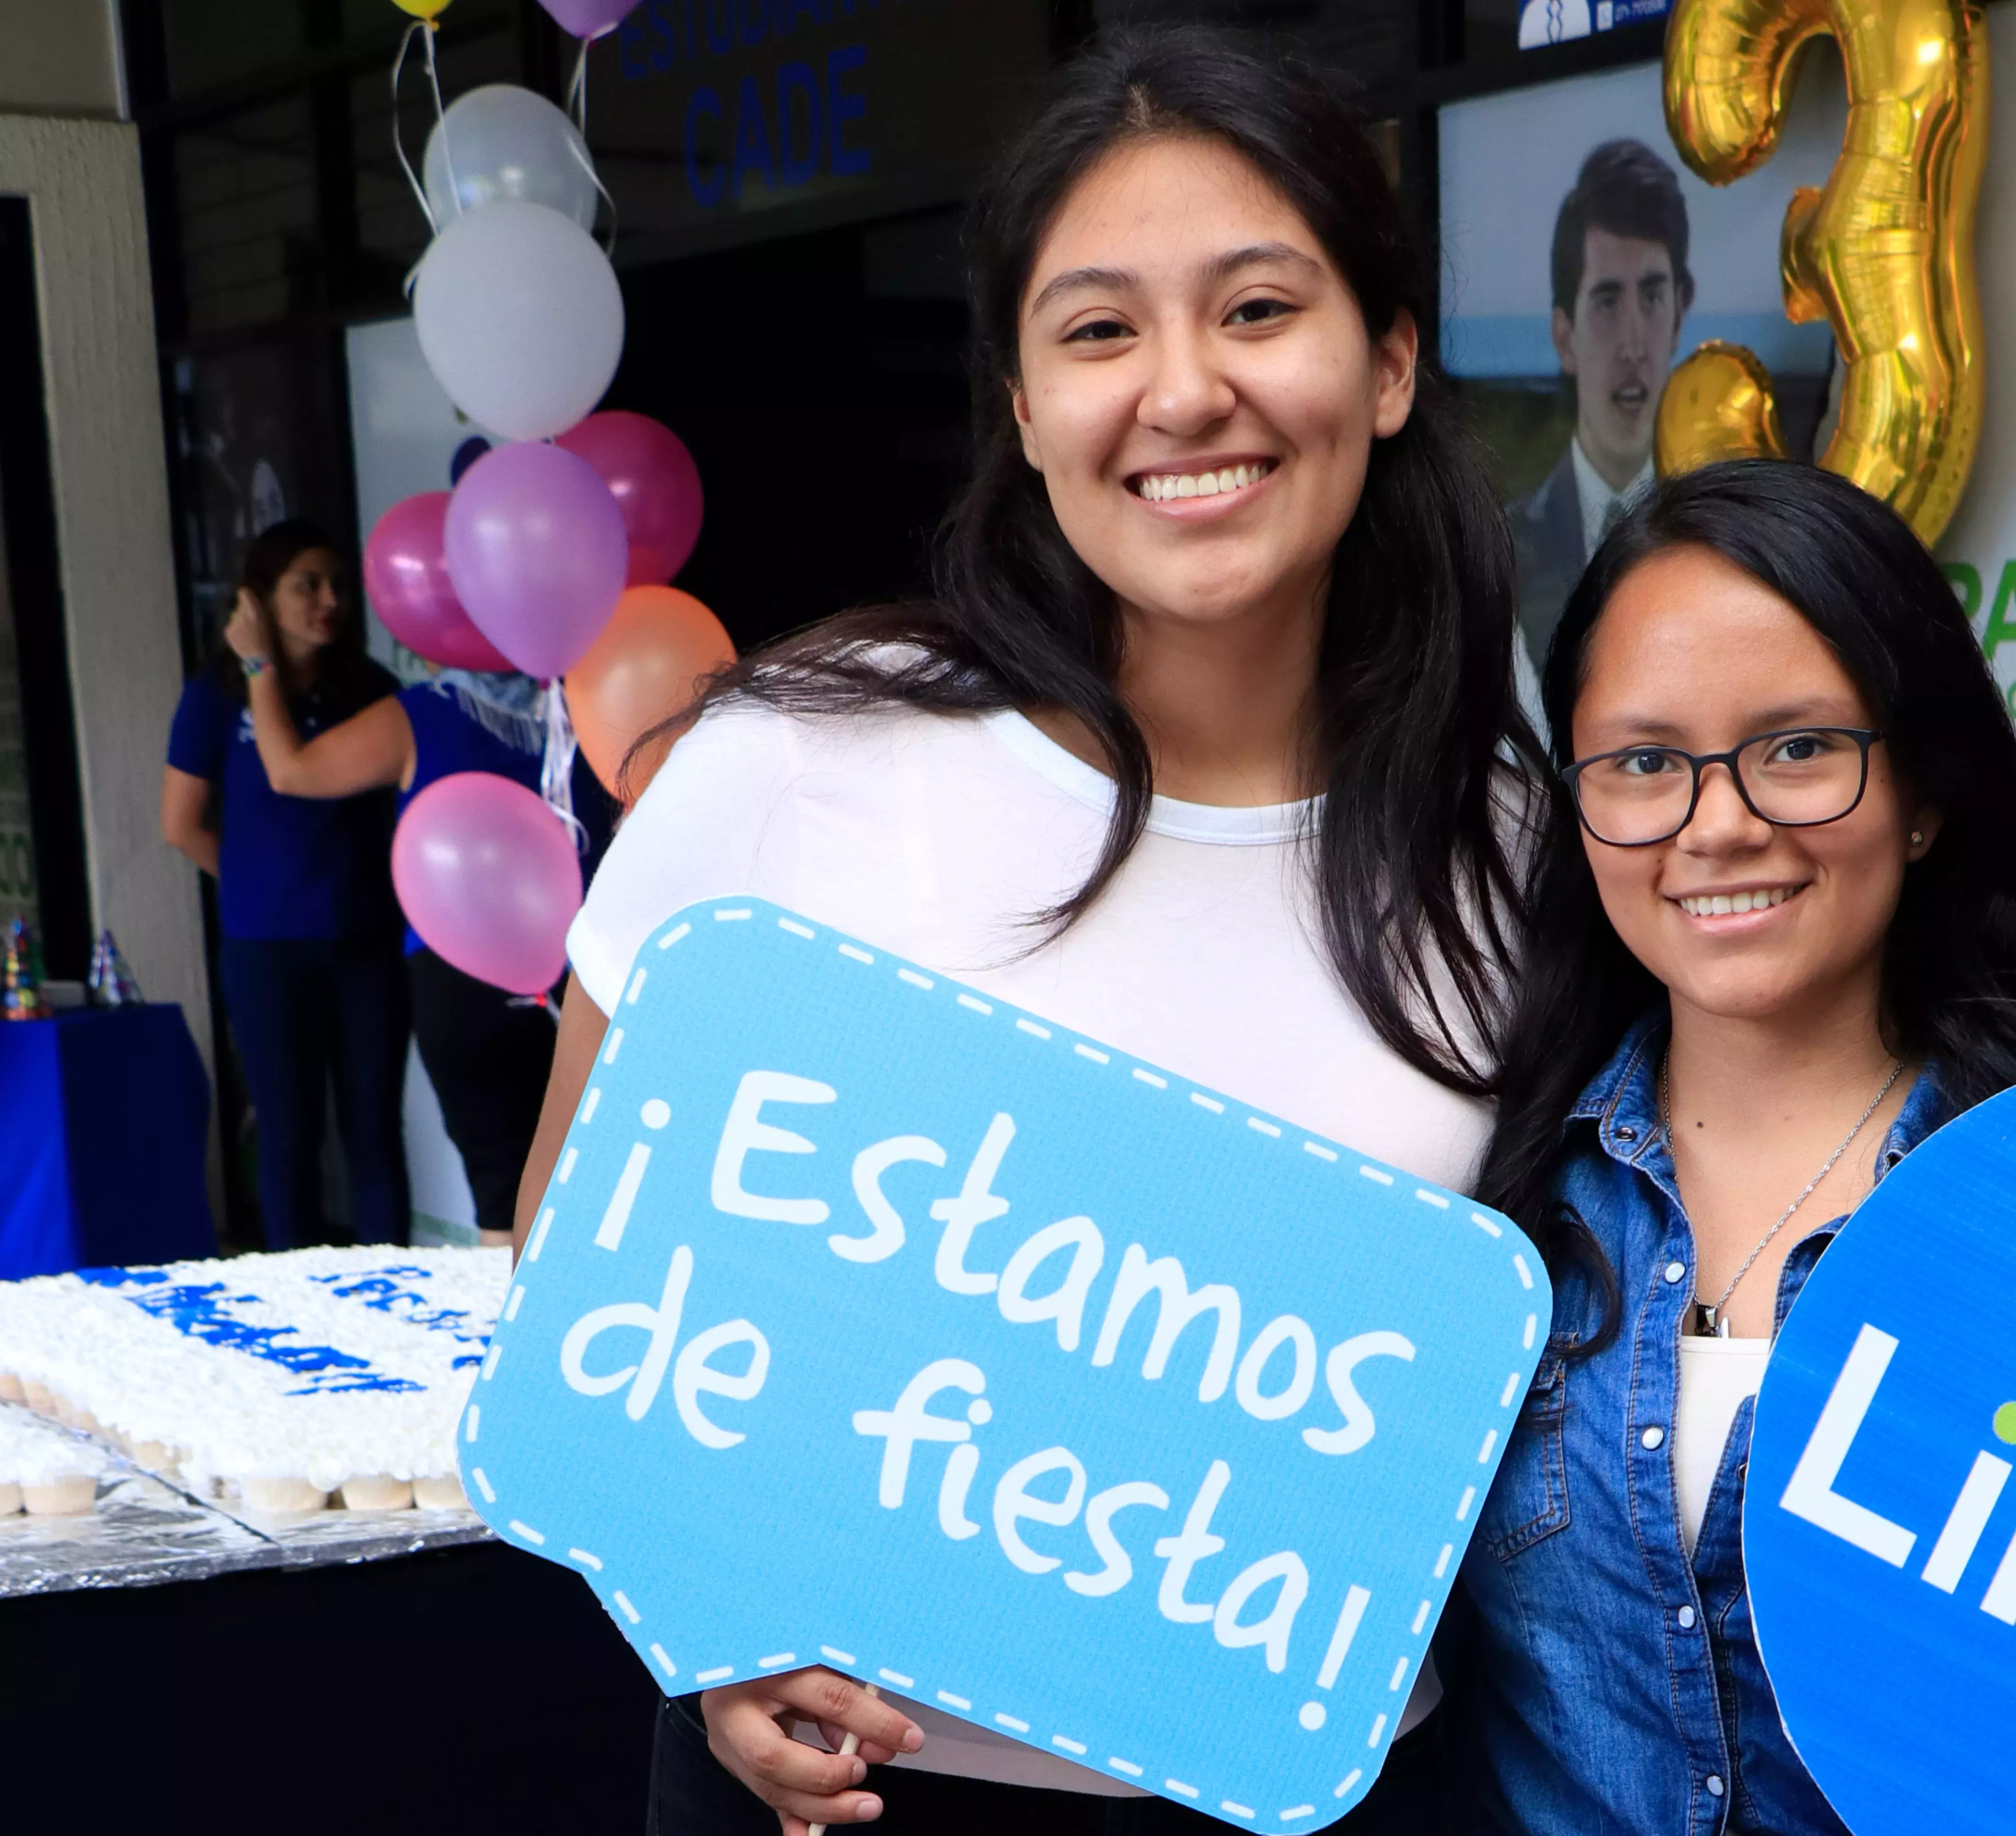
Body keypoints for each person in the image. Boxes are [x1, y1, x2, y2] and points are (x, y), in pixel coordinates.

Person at [509, 28, 1536, 1835]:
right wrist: (694, 1625)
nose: (1183, 392)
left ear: (1385, 364)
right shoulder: (805, 755)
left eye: (1257, 309)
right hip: (857, 1805)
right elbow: (572, 1262)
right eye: (1099, 329)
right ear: (1022, 404)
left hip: (1334, 1796)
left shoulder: (1511, 832)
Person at [1462, 460, 2016, 1836]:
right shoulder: (1485, 1201)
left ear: (1922, 790)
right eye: (1643, 762)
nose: (1718, 823)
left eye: (1797, 748)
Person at [226, 638, 602, 1251]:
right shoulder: (583, 708)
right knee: (590, 1187)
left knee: (503, 1197)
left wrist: (257, 662)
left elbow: (292, 770)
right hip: (584, 975)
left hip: (463, 980)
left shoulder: (422, 713)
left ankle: (509, 1339)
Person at [160, 520, 410, 1251]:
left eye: (337, 584)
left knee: (374, 1130)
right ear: (260, 598)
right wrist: (256, 886)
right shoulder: (213, 698)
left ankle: (394, 1290)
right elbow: (182, 825)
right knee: (289, 1133)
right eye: (308, 584)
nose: (329, 599)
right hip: (266, 951)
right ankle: (294, 1295)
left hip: (366, 942)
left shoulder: (373, 691)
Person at [1507, 138, 1693, 670]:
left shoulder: (1728, 531)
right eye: (1608, 303)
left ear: (1680, 314)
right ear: (1565, 336)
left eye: (1653, 297)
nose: (1634, 345)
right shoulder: (1503, 551)